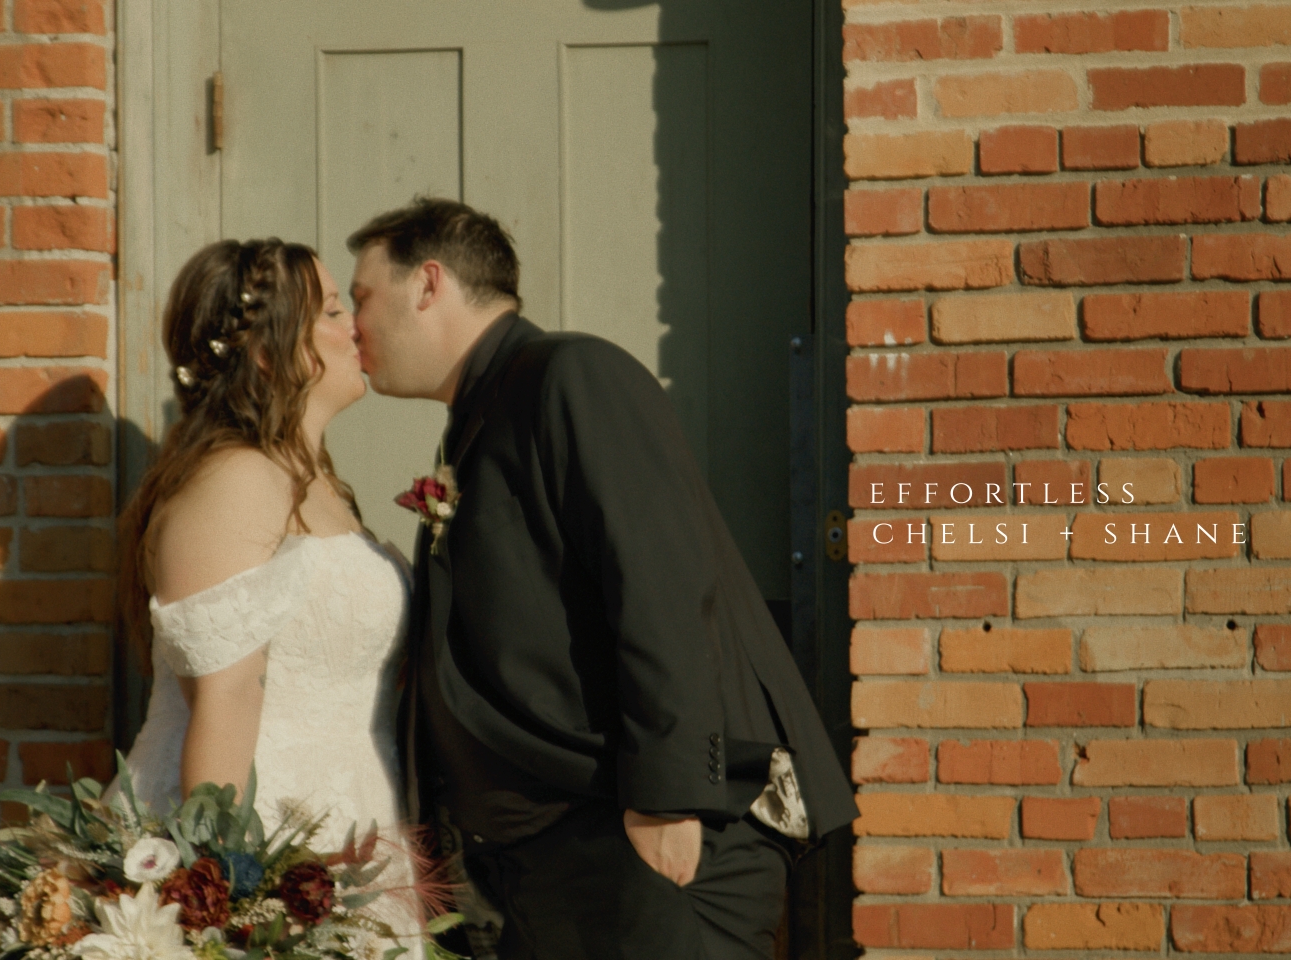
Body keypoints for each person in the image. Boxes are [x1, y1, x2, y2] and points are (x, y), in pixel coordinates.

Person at [349, 198, 855, 960]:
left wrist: (670, 795)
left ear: (428, 284)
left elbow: (662, 580)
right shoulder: (482, 415)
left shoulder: (570, 374)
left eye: (361, 296)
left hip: (649, 841)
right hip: (557, 862)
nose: (354, 324)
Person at [112, 238, 410, 864]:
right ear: (269, 355)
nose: (353, 326)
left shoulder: (314, 479)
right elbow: (227, 696)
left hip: (350, 818)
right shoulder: (238, 481)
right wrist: (230, 893)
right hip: (264, 835)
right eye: (330, 312)